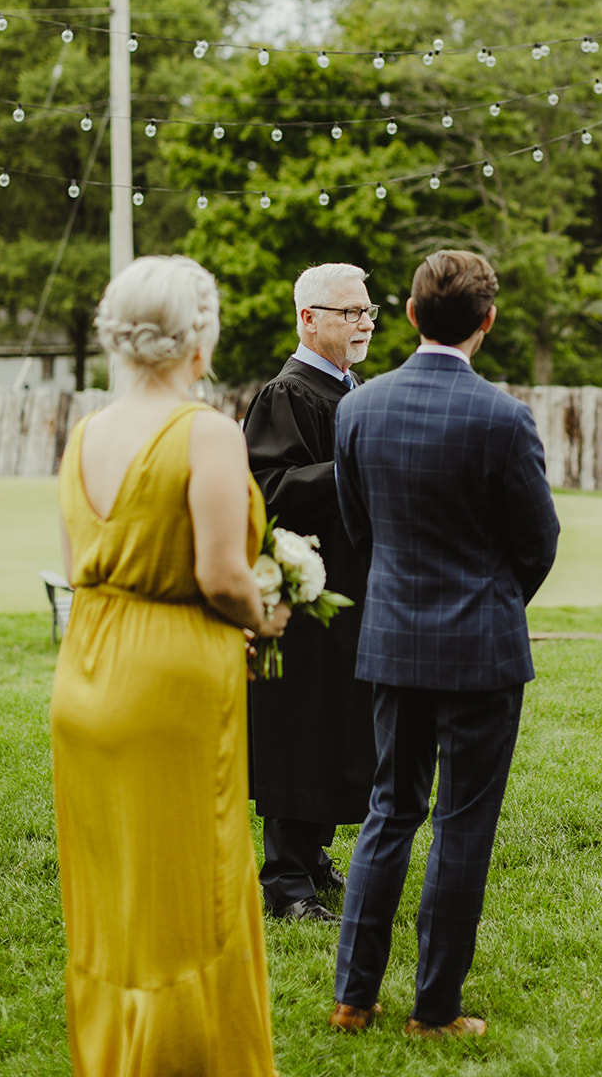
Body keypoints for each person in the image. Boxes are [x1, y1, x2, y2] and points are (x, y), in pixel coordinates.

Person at [50, 255, 287, 1077]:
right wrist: (268, 614)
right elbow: (222, 575)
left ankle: (117, 1055)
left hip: (85, 676)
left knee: (116, 895)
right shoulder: (205, 431)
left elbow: (84, 560)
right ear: (199, 336)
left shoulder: (85, 434)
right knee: (193, 889)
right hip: (169, 683)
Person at [328, 249, 560, 1038]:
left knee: (388, 812)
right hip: (481, 650)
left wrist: (400, 597)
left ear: (409, 316)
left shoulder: (358, 409)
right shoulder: (502, 416)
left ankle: (352, 998)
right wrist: (493, 602)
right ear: (487, 323)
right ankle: (433, 1011)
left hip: (392, 640)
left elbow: (359, 533)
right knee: (461, 823)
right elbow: (538, 542)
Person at [242, 262, 378, 922]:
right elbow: (266, 490)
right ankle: (285, 879)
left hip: (357, 585)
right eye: (348, 312)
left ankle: (316, 856)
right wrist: (354, 464)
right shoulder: (286, 395)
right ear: (308, 318)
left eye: (367, 312)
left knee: (341, 725)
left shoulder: (358, 390)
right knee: (301, 727)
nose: (362, 323)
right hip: (304, 591)